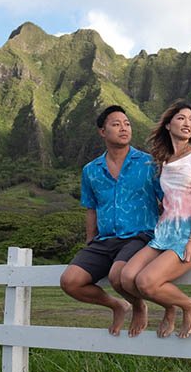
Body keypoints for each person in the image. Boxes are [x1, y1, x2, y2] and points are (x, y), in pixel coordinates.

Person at [59, 105, 163, 337]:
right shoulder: (90, 170)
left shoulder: (149, 163)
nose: (123, 128)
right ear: (102, 132)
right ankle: (117, 305)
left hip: (140, 235)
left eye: (127, 124)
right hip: (104, 239)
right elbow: (91, 208)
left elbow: (168, 198)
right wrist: (90, 241)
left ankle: (138, 306)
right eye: (116, 124)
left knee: (118, 275)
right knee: (70, 281)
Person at [120, 101, 191, 338]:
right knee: (127, 277)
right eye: (181, 118)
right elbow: (168, 198)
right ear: (169, 124)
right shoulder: (164, 161)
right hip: (163, 233)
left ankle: (190, 305)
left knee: (147, 281)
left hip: (186, 233)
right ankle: (168, 306)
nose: (188, 123)